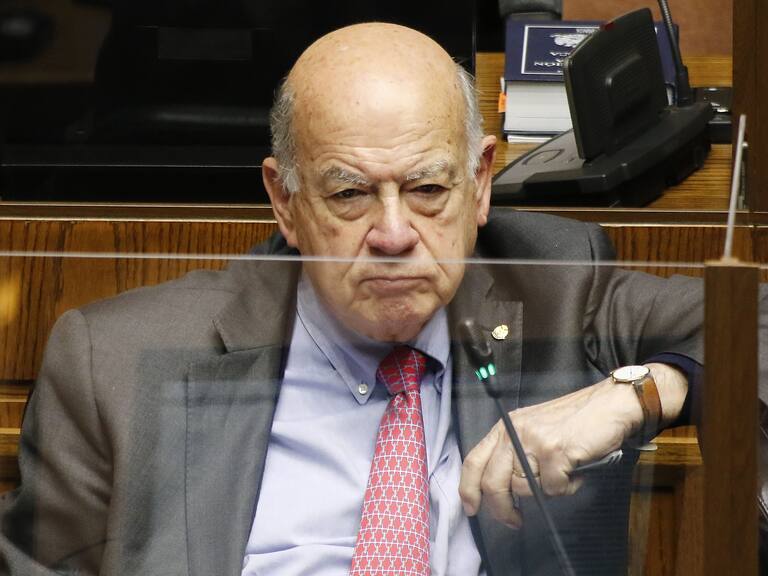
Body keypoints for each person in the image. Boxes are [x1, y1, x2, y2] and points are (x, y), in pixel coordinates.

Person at [0, 23, 702, 576]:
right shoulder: (113, 364)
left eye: (429, 190)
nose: (394, 234)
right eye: (349, 194)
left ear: (481, 182)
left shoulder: (558, 288)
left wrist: (639, 390)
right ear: (285, 199)